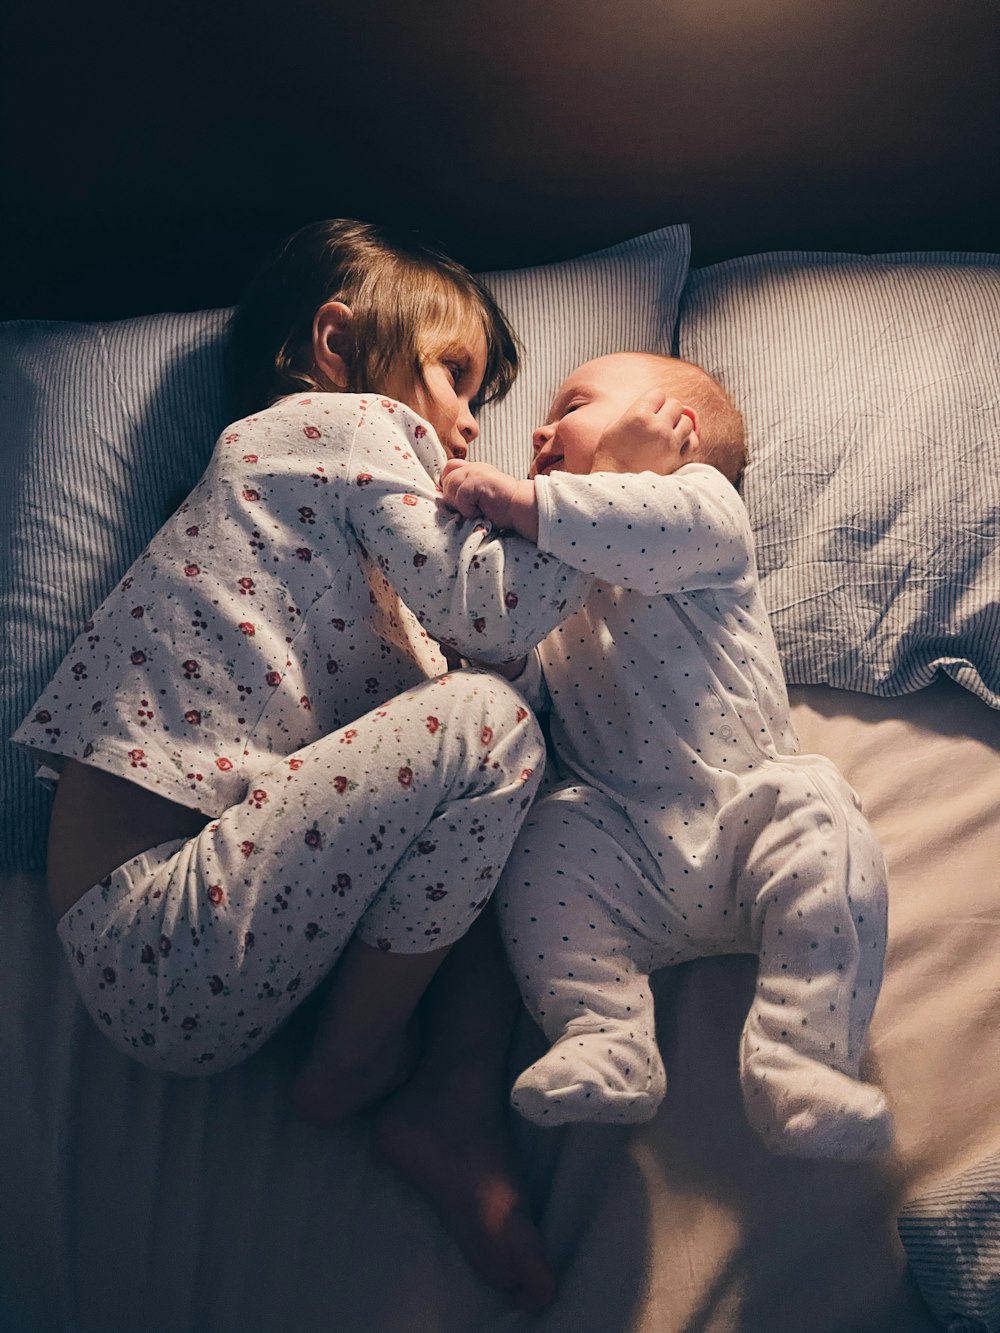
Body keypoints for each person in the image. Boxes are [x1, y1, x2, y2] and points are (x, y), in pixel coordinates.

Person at [12, 219, 597, 1311]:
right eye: (456, 375)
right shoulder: (334, 425)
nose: (471, 424)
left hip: (210, 927)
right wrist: (605, 516)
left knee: (502, 804)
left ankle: (447, 1104)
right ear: (337, 342)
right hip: (157, 917)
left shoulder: (315, 536)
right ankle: (363, 1061)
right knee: (490, 730)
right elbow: (488, 612)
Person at [440, 352, 894, 1163]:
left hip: (744, 813)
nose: (539, 429)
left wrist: (542, 494)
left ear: (675, 432)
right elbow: (531, 695)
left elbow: (634, 526)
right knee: (541, 844)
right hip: (620, 837)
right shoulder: (551, 573)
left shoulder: (705, 511)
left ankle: (802, 1057)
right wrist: (496, 646)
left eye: (572, 405)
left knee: (822, 812)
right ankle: (604, 1032)